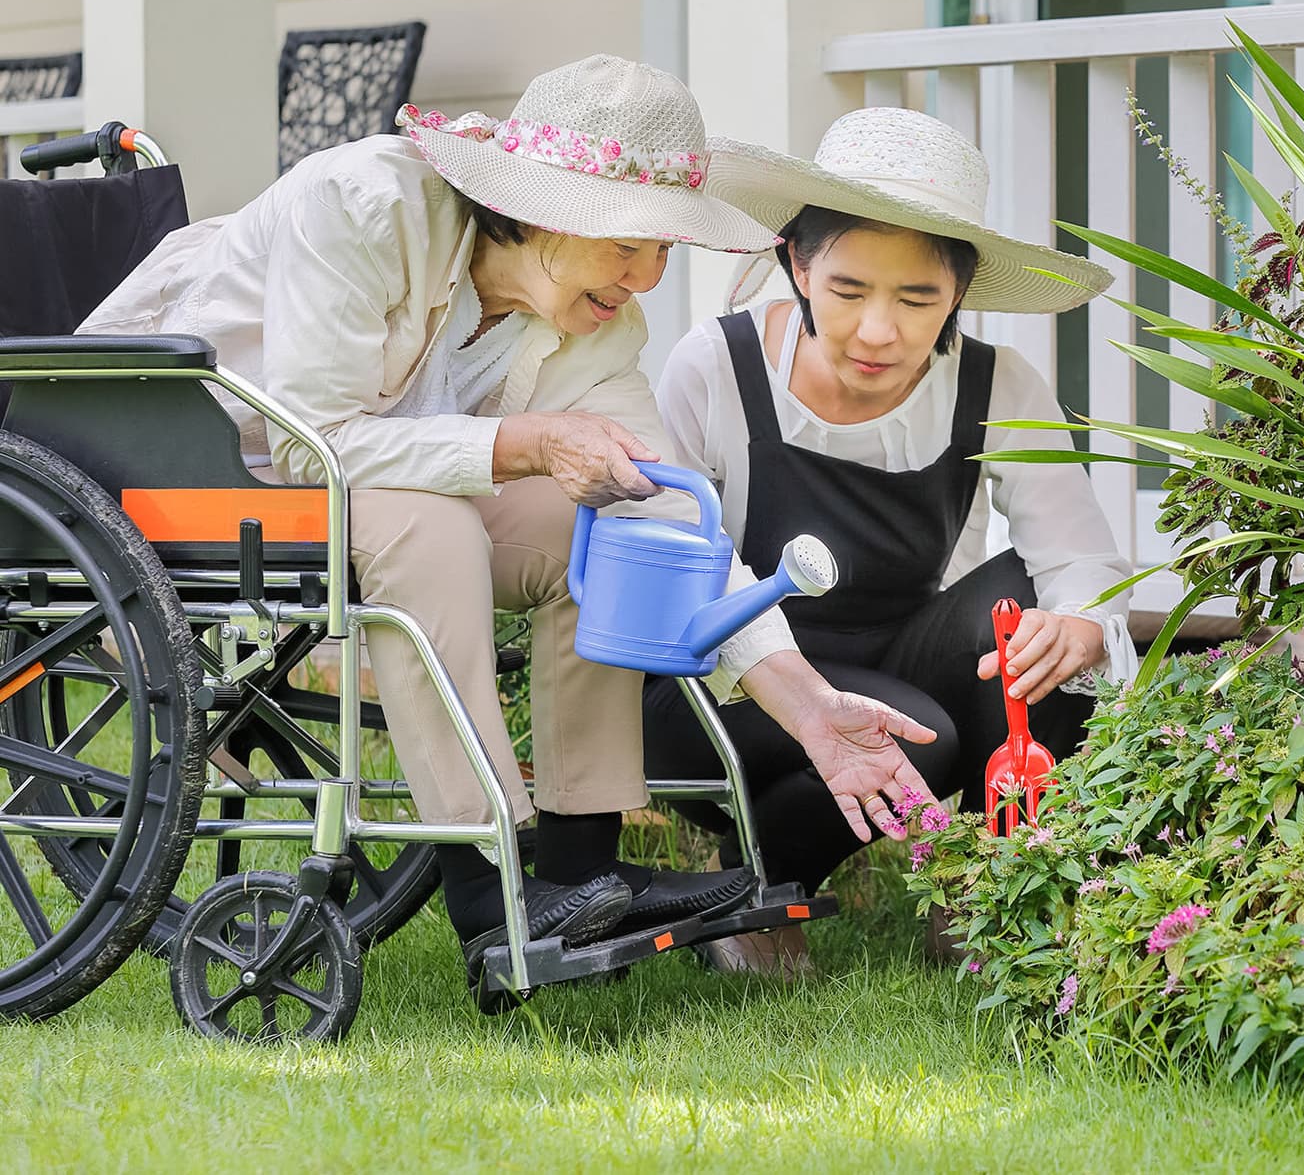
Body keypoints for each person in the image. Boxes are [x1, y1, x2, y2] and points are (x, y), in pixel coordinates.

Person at [79, 56, 939, 991]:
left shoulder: (596, 325)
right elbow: (311, 440)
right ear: (541, 210)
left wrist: (809, 705)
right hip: (196, 463)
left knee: (614, 528)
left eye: (665, 251)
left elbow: (674, 511)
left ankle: (580, 867)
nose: (647, 277)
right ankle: (490, 892)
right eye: (631, 243)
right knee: (436, 527)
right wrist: (522, 440)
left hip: (371, 484)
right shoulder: (363, 205)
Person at [643, 106, 1138, 973]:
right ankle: (759, 887)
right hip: (723, 685)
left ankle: (997, 893)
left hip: (897, 653)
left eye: (918, 299)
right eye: (848, 291)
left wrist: (1082, 626)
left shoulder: (996, 382)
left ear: (960, 291)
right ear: (797, 263)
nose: (880, 331)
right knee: (924, 735)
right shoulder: (714, 366)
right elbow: (675, 570)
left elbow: (1079, 557)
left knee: (1032, 613)